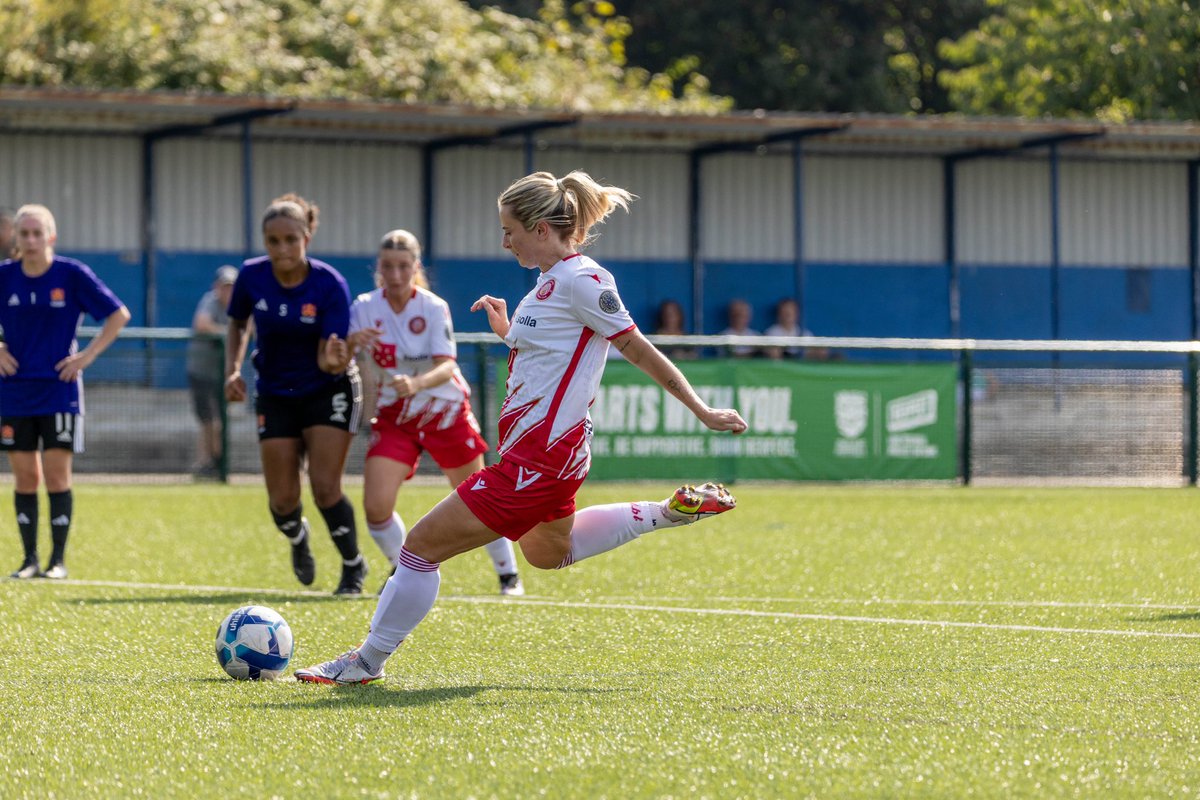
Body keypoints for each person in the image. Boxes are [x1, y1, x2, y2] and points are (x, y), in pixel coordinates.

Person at [295, 170, 747, 685]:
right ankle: (669, 512)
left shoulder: (584, 281)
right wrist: (509, 332)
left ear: (540, 229)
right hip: (550, 457)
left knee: (418, 548)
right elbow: (554, 353)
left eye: (509, 231)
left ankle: (365, 662)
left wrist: (701, 410)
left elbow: (637, 348)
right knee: (548, 552)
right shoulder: (550, 282)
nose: (504, 242)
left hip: (540, 459)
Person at [347, 229, 524, 596]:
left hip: (444, 411)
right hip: (395, 415)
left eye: (403, 266)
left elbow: (447, 366)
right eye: (388, 266)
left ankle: (508, 575)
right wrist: (350, 344)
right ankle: (404, 572)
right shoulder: (363, 306)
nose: (395, 274)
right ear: (378, 268)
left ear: (416, 267)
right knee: (376, 508)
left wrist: (416, 383)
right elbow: (342, 356)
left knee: (479, 498)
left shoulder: (432, 306)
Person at [224, 193, 369, 595]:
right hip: (275, 392)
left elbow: (330, 357)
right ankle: (297, 536)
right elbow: (237, 323)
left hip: (328, 389)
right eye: (273, 240)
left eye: (291, 239)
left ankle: (353, 566)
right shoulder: (251, 276)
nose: (283, 248)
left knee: (325, 487)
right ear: (265, 242)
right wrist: (233, 370)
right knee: (283, 501)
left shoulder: (329, 284)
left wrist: (336, 359)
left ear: (307, 237)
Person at [0, 204, 131, 579]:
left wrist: (87, 356)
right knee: (26, 478)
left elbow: (118, 314)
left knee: (57, 477)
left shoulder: (71, 274)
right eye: (24, 234)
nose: (31, 240)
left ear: (51, 237)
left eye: (37, 233)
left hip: (60, 391)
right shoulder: (5, 276)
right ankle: (29, 561)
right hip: (14, 392)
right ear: (16, 238)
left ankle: (57, 562)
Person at [186, 265, 238, 479]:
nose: (227, 291)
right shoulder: (210, 301)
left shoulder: (240, 305)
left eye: (232, 287)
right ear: (216, 286)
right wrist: (227, 332)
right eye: (224, 286)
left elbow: (250, 328)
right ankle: (210, 462)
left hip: (224, 375)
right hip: (201, 372)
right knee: (208, 420)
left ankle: (213, 462)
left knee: (218, 420)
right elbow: (202, 324)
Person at [763, 297, 831, 361]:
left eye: (791, 312)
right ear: (779, 314)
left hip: (802, 364)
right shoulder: (771, 332)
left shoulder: (805, 333)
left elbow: (811, 352)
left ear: (797, 314)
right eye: (785, 312)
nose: (788, 315)